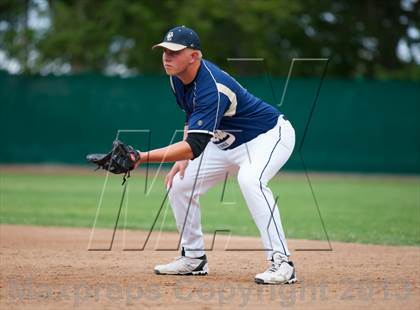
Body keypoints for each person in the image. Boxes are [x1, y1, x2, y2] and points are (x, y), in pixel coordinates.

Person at [135, 26, 296, 285]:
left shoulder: (213, 87)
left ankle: (282, 263)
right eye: (164, 50)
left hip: (266, 137)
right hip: (223, 144)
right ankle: (193, 258)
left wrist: (141, 157)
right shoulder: (177, 77)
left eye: (174, 52)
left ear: (194, 56)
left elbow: (195, 143)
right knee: (179, 183)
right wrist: (182, 158)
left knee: (250, 180)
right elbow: (191, 114)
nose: (167, 56)